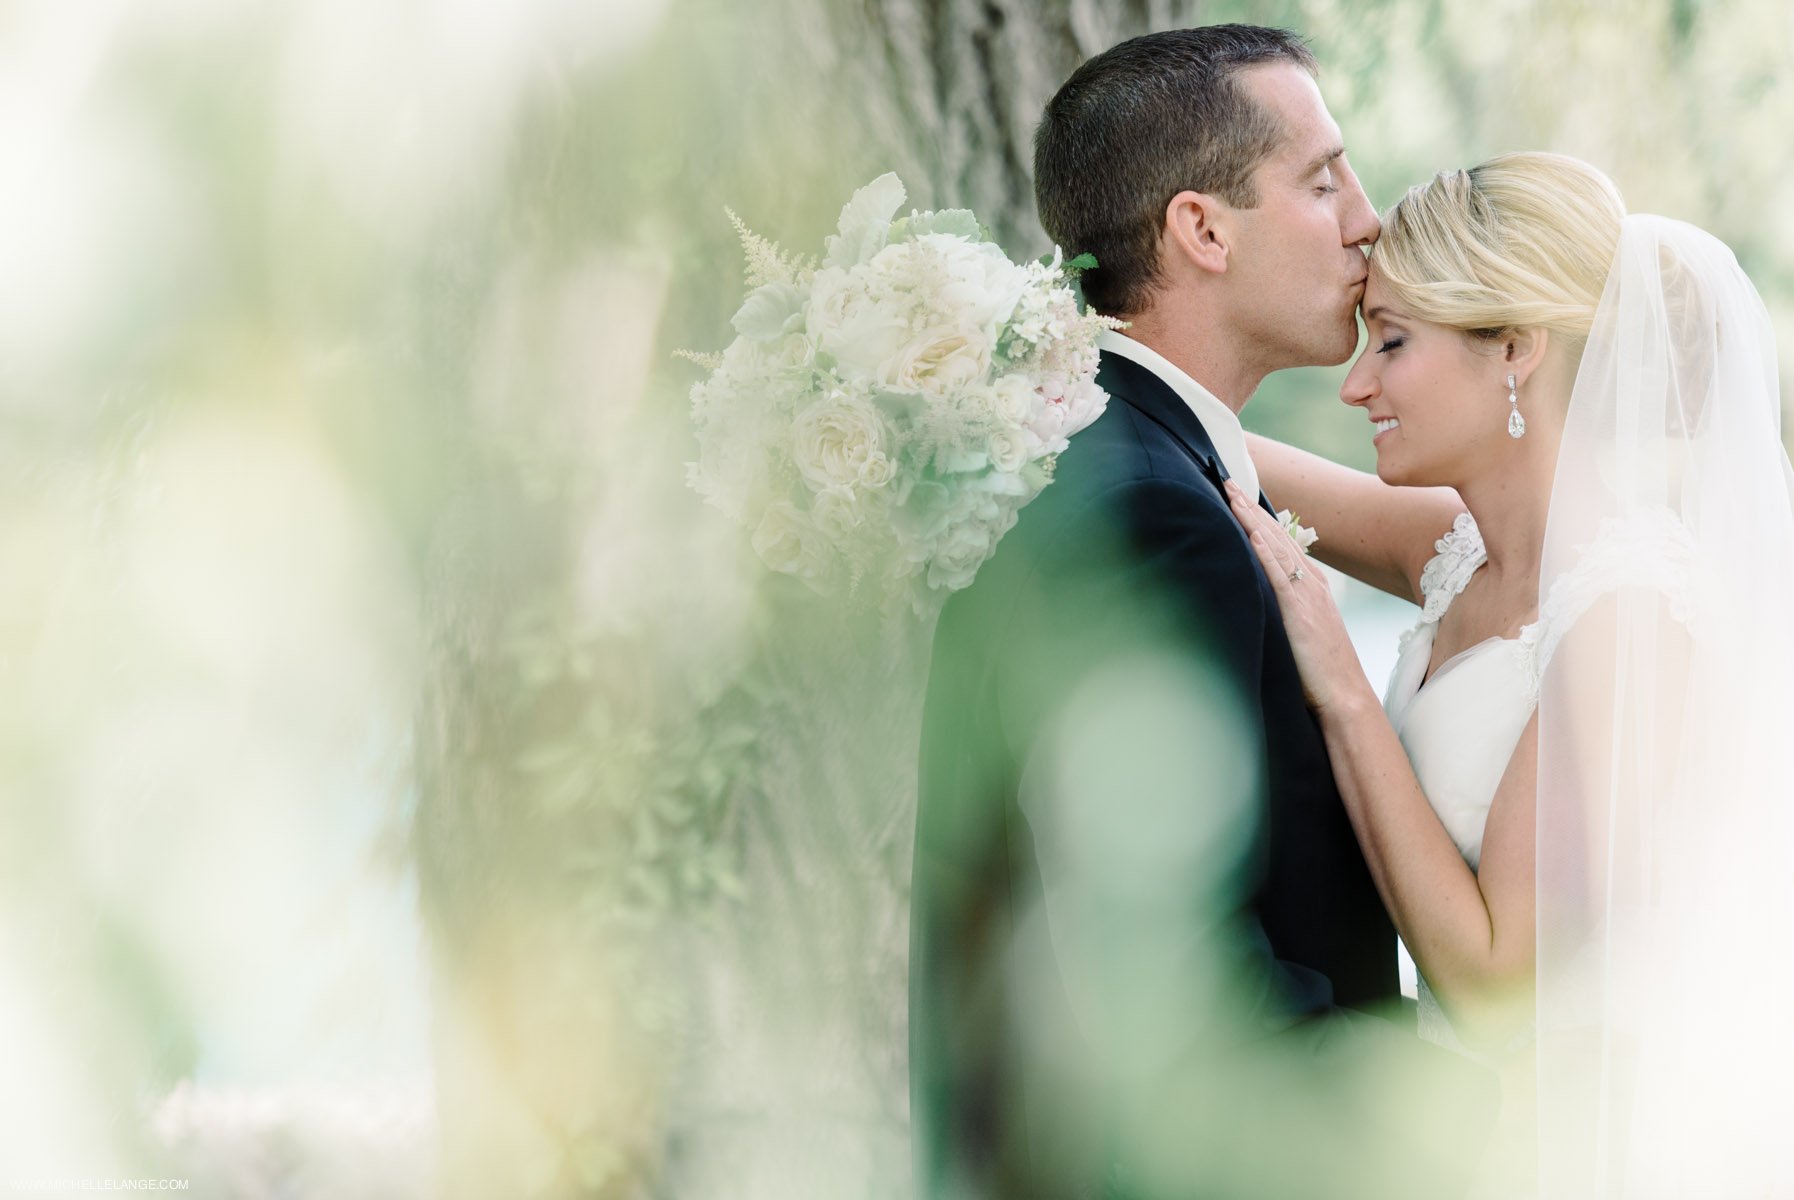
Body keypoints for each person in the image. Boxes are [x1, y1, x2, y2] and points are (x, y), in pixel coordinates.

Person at [910, 25, 1495, 1199]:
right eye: (1323, 179)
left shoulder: (1121, 458)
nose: (1365, 219)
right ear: (1203, 230)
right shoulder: (1150, 512)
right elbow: (1178, 974)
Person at [1236, 151, 1794, 1195]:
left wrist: (1343, 684)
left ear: (1516, 354)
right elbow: (1220, 448)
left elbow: (1496, 975)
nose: (1356, 382)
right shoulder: (1457, 549)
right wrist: (1036, 364)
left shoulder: (1629, 616)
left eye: (1392, 342)